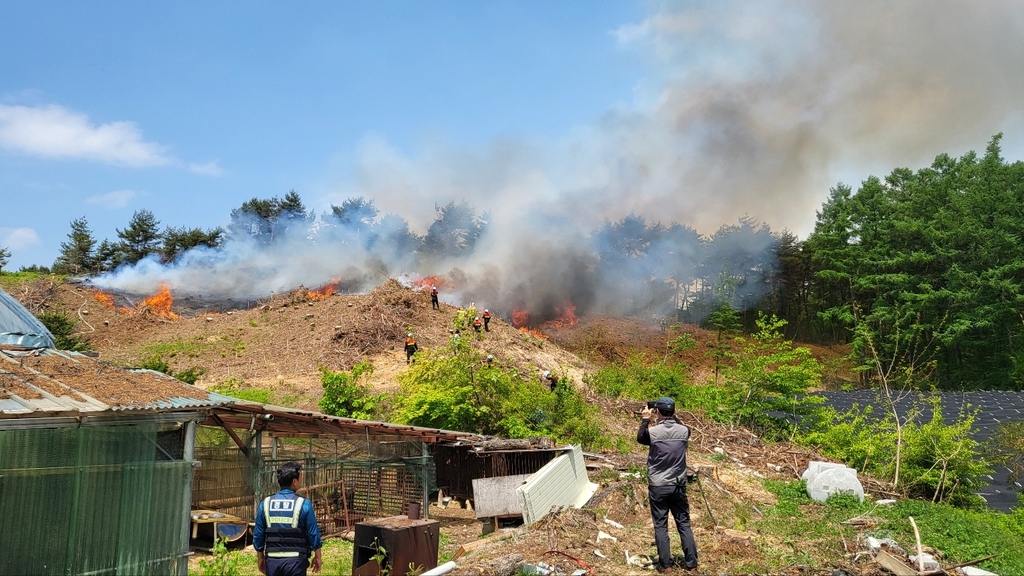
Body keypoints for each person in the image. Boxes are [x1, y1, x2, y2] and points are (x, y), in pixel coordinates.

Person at [637, 397, 697, 573]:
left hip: (658, 485)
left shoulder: (653, 433)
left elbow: (641, 437)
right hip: (678, 485)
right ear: (674, 411)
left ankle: (666, 566)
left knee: (661, 525)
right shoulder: (684, 431)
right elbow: (682, 427)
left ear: (658, 412)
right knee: (684, 524)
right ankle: (692, 566)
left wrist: (646, 419)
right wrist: (671, 415)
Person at [254, 461, 323, 576]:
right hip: (296, 562)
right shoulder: (304, 504)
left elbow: (258, 535)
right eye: (300, 478)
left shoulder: (265, 504)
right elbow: (313, 533)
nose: (301, 480)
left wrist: (260, 558)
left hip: (272, 561)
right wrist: (318, 556)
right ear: (294, 482)